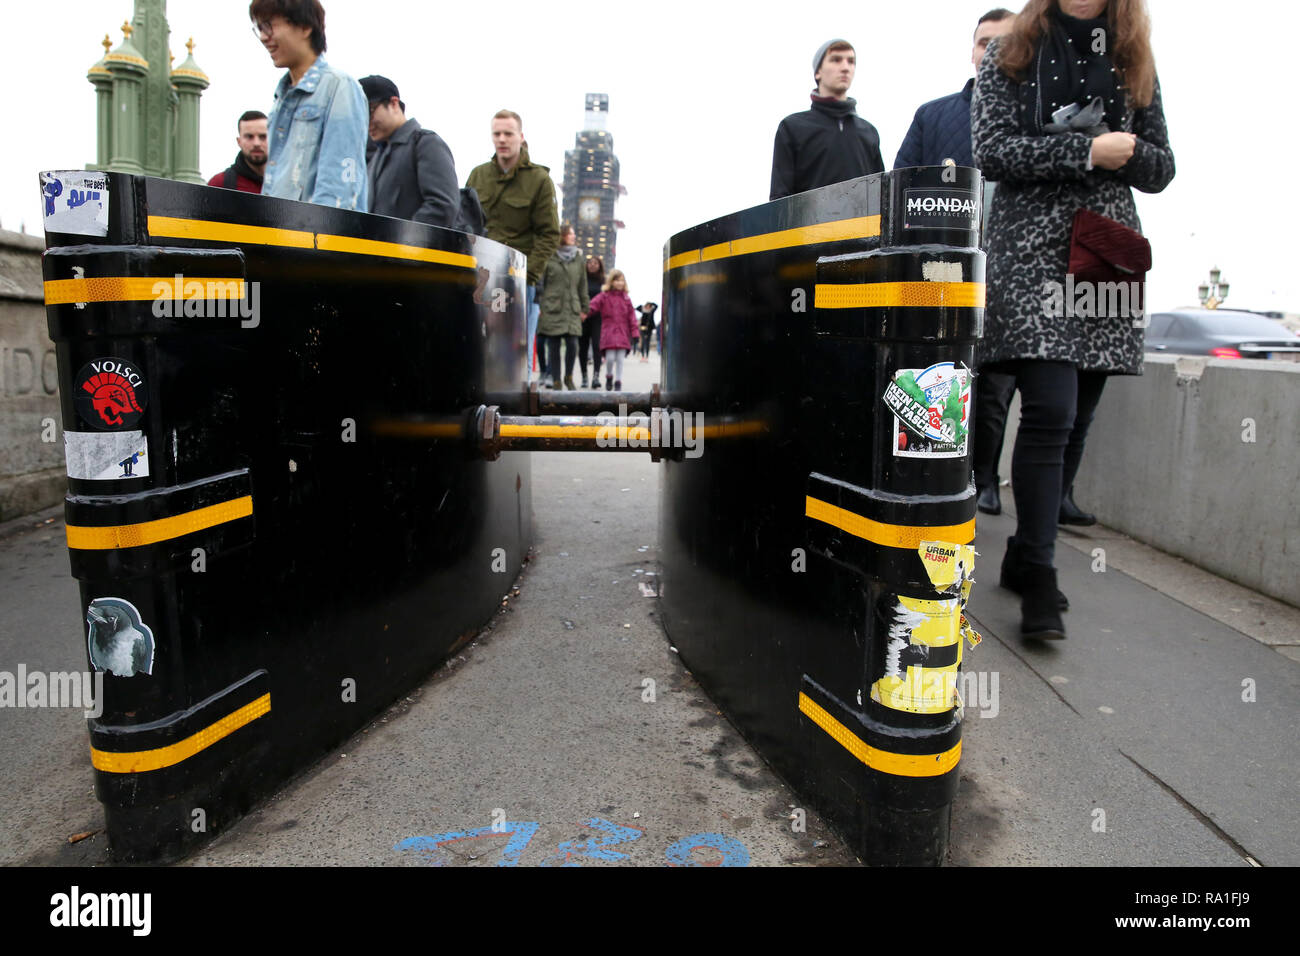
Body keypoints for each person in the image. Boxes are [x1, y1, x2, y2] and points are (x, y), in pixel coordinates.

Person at [972, 0, 1174, 640]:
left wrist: (1127, 150)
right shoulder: (1011, 51)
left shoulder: (1133, 56)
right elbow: (993, 151)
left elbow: (1163, 168)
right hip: (1030, 244)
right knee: (1051, 408)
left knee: (1079, 413)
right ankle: (1040, 575)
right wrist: (1087, 152)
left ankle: (1019, 552)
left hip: (1107, 245)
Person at [892, 8, 1017, 518]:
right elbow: (899, 186)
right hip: (944, 279)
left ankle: (984, 480)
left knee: (996, 386)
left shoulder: (1035, 122)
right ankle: (934, 481)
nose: (992, 52)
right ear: (972, 50)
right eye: (985, 42)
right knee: (945, 376)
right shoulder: (935, 114)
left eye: (1005, 43)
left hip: (1011, 271)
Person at [466, 110, 560, 380]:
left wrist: (527, 277)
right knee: (480, 349)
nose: (502, 139)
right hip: (480, 279)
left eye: (508, 133)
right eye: (497, 134)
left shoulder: (539, 180)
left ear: (521, 137)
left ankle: (516, 413)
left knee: (515, 355)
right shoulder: (478, 176)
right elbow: (466, 224)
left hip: (517, 280)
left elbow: (549, 233)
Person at [251, 0, 368, 211]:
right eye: (259, 28)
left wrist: (321, 237)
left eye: (269, 26)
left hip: (313, 238)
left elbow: (338, 191)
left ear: (305, 27)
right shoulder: (281, 97)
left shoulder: (339, 87)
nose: (263, 37)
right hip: (279, 235)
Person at [770, 39, 884, 200]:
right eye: (836, 60)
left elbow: (881, 196)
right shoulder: (792, 128)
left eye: (851, 62)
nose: (845, 67)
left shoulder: (868, 132)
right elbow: (780, 198)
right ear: (818, 72)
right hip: (811, 224)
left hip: (861, 224)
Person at [359, 75, 459, 228]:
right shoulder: (374, 160)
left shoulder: (426, 143)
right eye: (360, 116)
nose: (366, 122)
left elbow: (442, 206)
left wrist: (401, 243)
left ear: (393, 103)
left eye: (370, 112)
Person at [537, 224, 589, 390]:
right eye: (571, 234)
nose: (574, 236)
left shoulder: (579, 259)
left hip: (572, 307)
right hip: (552, 307)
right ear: (562, 236)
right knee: (553, 344)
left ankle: (569, 377)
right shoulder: (549, 257)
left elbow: (582, 285)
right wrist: (539, 304)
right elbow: (541, 282)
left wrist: (585, 307)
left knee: (573, 343)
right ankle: (557, 380)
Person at [590, 270, 638, 391]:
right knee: (610, 358)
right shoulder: (604, 296)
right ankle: (609, 375)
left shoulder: (626, 299)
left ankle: (618, 381)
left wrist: (635, 333)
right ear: (611, 282)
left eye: (622, 280)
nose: (619, 283)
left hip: (623, 333)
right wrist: (584, 312)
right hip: (609, 333)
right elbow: (593, 305)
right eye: (617, 280)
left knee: (621, 359)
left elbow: (632, 317)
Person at [208, 110, 268, 193]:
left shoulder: (288, 184)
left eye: (263, 136)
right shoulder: (219, 184)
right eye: (249, 137)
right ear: (239, 141)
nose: (256, 143)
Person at [579, 255, 605, 387]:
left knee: (597, 347)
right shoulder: (581, 279)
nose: (592, 265)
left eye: (595, 263)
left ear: (600, 265)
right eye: (590, 263)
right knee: (582, 348)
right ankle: (584, 376)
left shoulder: (604, 281)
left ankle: (596, 376)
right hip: (582, 317)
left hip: (598, 319)